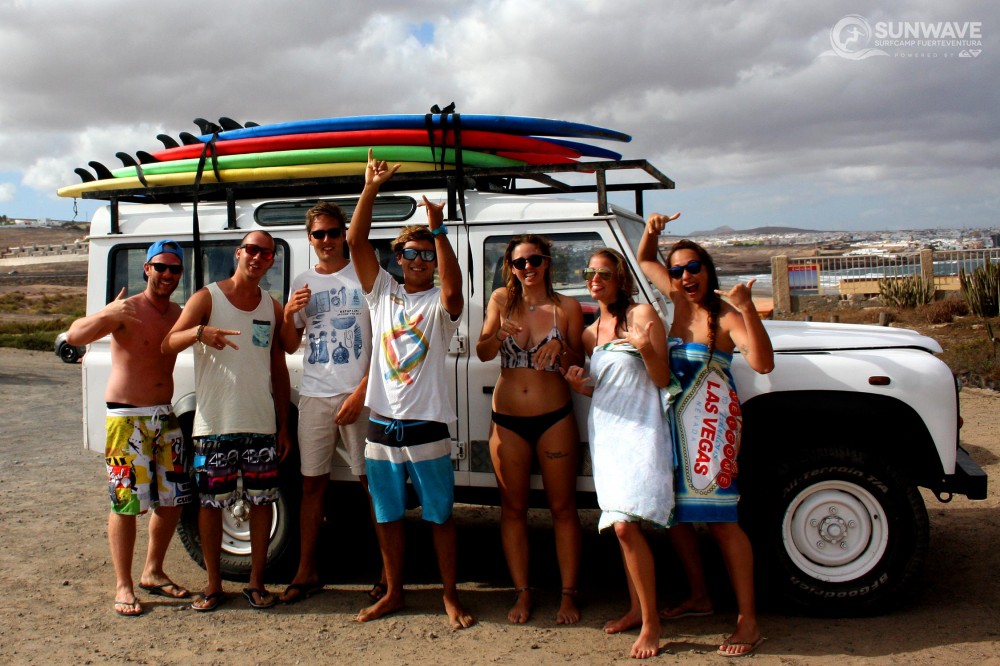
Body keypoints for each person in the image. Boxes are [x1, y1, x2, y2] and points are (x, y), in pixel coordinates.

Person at [346, 149, 474, 630]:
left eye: (426, 255)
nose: (419, 261)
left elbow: (456, 290)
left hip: (427, 426)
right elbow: (356, 241)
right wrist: (371, 187)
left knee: (440, 517)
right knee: (387, 514)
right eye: (410, 253)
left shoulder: (441, 306)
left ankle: (449, 595)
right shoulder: (383, 292)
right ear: (397, 259)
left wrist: (438, 229)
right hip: (382, 425)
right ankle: (395, 591)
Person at [637, 212, 773, 658]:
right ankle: (699, 595)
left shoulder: (727, 316)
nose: (684, 275)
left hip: (711, 431)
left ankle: (748, 620)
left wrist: (748, 308)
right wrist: (653, 234)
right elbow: (643, 260)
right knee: (673, 516)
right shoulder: (675, 303)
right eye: (676, 270)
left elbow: (763, 364)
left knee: (721, 522)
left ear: (707, 269)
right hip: (673, 429)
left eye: (693, 267)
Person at [162, 230, 291, 612]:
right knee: (210, 504)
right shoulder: (207, 297)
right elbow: (169, 342)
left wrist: (284, 424)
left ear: (272, 261)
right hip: (214, 424)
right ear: (239, 253)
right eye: (251, 249)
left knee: (262, 502)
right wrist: (201, 332)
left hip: (261, 423)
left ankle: (256, 584)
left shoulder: (272, 306)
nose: (257, 257)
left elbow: (278, 368)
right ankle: (213, 586)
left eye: (265, 253)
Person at [67, 239, 193, 617]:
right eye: (161, 267)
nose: (167, 275)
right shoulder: (126, 309)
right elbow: (74, 336)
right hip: (127, 419)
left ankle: (152, 571)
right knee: (125, 503)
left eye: (175, 269)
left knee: (173, 499)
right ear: (146, 268)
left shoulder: (178, 313)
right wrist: (107, 313)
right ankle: (123, 585)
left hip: (164, 416)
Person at [563, 248, 674, 659]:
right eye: (589, 273)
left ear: (620, 278)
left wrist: (644, 347)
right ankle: (635, 609)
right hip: (607, 430)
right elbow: (602, 386)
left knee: (627, 526)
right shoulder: (591, 332)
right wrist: (580, 386)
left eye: (603, 273)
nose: (595, 279)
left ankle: (651, 623)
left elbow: (661, 377)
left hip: (641, 429)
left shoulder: (643, 316)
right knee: (621, 526)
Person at [475, 234, 585, 624]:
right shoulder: (502, 302)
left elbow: (579, 357)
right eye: (520, 262)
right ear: (511, 267)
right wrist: (498, 335)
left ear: (547, 263)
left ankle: (568, 595)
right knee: (513, 509)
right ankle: (523, 593)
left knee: (563, 509)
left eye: (535, 260)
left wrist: (564, 353)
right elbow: (483, 351)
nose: (528, 268)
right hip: (507, 420)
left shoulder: (566, 307)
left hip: (554, 415)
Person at [278, 201, 378, 604]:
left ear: (344, 236)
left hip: (360, 393)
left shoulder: (365, 275)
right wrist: (288, 313)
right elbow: (289, 344)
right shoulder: (303, 282)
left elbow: (384, 339)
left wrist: (362, 391)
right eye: (318, 234)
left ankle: (386, 570)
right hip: (316, 393)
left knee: (373, 483)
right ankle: (307, 571)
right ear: (309, 238)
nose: (326, 241)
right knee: (312, 484)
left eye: (333, 233)